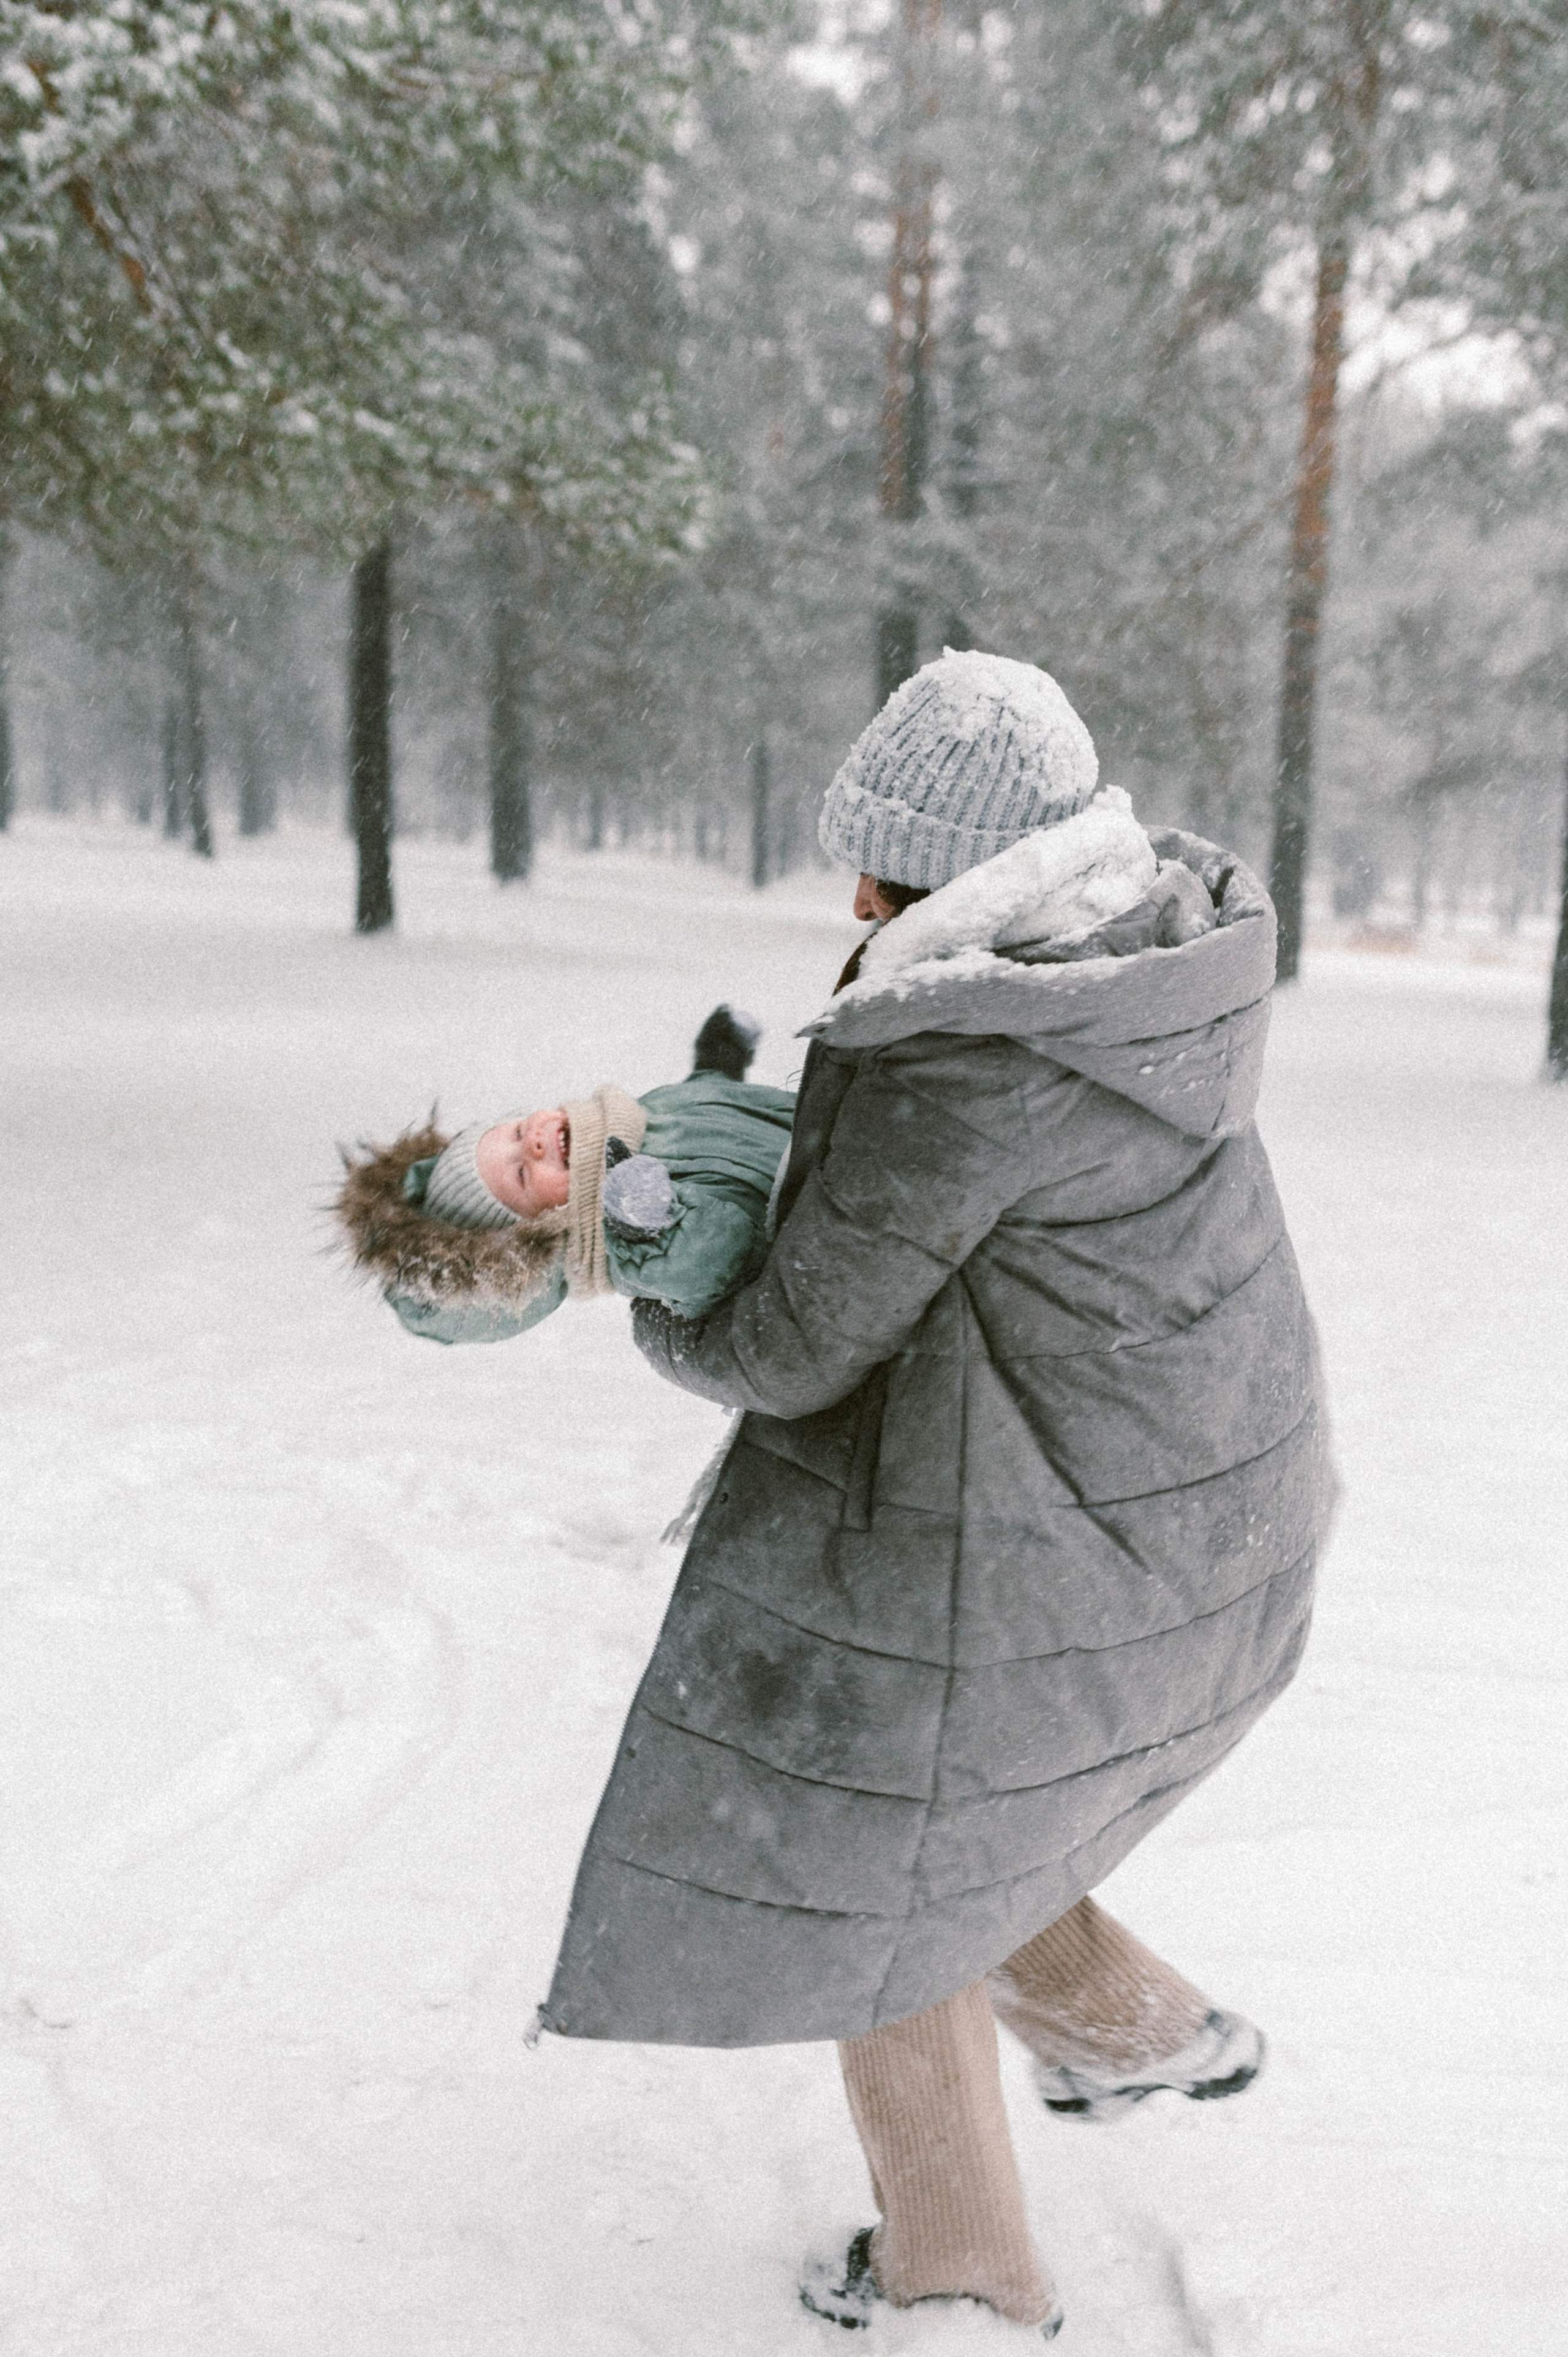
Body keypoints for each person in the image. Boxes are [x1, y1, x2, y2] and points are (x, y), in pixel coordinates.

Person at [537, 650, 1329, 2337]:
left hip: (1077, 1540)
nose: (853, 894)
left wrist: (641, 1256)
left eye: (883, 869)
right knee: (968, 1795)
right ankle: (1135, 2033)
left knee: (866, 1862)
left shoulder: (968, 1058)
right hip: (1211, 1515)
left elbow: (792, 1344)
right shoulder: (1141, 978)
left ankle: (961, 2277)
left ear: (964, 879)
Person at [333, 1006, 796, 1343]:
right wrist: (656, 1228)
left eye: (515, 1131)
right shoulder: (625, 1246)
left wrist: (716, 1066)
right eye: (520, 1174)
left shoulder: (638, 1116)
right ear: (538, 1229)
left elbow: (702, 1112)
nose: (532, 1141)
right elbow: (721, 1261)